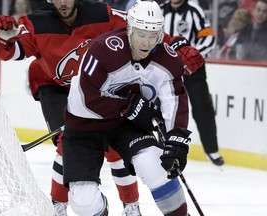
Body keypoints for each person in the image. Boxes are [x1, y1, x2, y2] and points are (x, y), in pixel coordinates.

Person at [0, 0, 142, 215]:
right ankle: (58, 207)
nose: (63, 2)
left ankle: (131, 205)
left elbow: (142, 28)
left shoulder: (101, 13)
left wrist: (175, 47)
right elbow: (8, 52)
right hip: (55, 88)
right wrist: (0, 39)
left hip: (96, 86)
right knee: (66, 142)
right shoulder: (35, 23)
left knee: (114, 144)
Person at [62, 0, 203, 215]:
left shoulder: (168, 60)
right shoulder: (102, 49)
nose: (146, 42)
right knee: (83, 202)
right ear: (129, 30)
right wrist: (130, 106)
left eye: (152, 35)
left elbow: (174, 100)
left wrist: (177, 139)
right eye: (140, 34)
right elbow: (88, 98)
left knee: (155, 165)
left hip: (124, 125)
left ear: (160, 34)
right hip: (84, 125)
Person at [161, 0, 225, 166]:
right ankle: (161, 147)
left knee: (203, 107)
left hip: (193, 69)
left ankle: (212, 149)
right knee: (161, 107)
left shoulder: (194, 11)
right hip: (166, 70)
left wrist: (193, 56)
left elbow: (208, 38)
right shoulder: (159, 11)